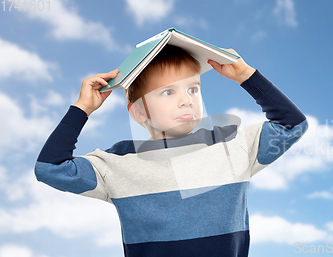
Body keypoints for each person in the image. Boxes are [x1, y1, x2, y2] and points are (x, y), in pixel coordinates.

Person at [35, 44, 308, 257]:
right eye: (168, 92)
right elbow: (50, 168)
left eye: (193, 89)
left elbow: (291, 125)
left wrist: (247, 76)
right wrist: (82, 109)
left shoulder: (232, 144)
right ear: (139, 111)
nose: (186, 101)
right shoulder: (116, 163)